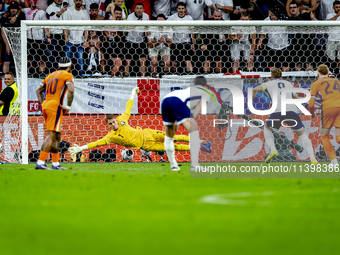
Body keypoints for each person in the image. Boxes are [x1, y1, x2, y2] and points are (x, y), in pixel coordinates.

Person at [68, 87, 192, 157]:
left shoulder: (122, 119)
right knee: (172, 147)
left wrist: (132, 93)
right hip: (146, 146)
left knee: (173, 137)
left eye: (114, 122)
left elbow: (128, 107)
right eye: (110, 124)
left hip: (148, 133)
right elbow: (95, 143)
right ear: (108, 126)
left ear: (116, 120)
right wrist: (81, 148)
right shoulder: (111, 136)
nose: (113, 124)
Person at [252, 68, 318, 165]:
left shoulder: (268, 84)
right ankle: (313, 158)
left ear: (271, 77)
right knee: (303, 135)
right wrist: (299, 109)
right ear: (281, 76)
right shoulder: (288, 83)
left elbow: (255, 89)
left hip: (277, 112)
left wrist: (251, 102)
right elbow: (295, 97)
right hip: (291, 111)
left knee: (267, 129)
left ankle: (273, 150)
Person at [161, 76, 212, 171]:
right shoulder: (206, 91)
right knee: (194, 130)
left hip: (166, 100)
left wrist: (179, 119)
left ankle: (173, 166)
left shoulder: (190, 89)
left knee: (169, 136)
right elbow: (199, 107)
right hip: (177, 101)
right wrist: (191, 120)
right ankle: (195, 165)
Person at [35, 57, 75, 170]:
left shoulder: (50, 75)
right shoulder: (68, 75)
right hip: (55, 107)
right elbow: (71, 90)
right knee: (51, 136)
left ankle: (55, 164)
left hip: (47, 106)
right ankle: (40, 162)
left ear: (58, 66)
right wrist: (68, 106)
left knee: (57, 136)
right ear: (70, 66)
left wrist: (43, 103)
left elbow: (38, 90)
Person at [308, 64, 340, 168]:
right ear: (328, 74)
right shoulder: (337, 81)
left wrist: (312, 114)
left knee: (324, 135)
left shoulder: (316, 83)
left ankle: (334, 162)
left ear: (318, 74)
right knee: (338, 138)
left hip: (328, 107)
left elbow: (311, 103)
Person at [287, 1, 317, 71]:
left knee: (309, 67)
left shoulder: (305, 15)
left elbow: (315, 25)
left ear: (298, 8)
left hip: (308, 44)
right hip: (296, 45)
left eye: (294, 7)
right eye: (290, 8)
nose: (292, 9)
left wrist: (313, 19)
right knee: (298, 67)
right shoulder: (289, 20)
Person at [22, 0, 50, 76]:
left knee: (41, 59)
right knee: (30, 59)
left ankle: (42, 74)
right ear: (30, 1)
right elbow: (17, 10)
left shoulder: (41, 12)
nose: (33, 2)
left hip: (39, 39)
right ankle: (32, 73)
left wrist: (48, 36)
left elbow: (46, 25)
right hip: (29, 38)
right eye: (32, 0)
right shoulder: (25, 11)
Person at [63, 0, 90, 77]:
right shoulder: (69, 11)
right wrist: (66, 37)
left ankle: (80, 74)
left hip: (80, 40)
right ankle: (65, 73)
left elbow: (86, 28)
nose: (78, 2)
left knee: (80, 58)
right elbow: (65, 25)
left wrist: (85, 40)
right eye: (77, 0)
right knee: (66, 58)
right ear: (74, 1)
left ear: (82, 1)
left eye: (80, 0)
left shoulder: (85, 13)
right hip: (70, 39)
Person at [168, 2, 194, 74]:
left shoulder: (189, 18)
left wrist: (193, 43)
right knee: (175, 63)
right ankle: (174, 78)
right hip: (175, 43)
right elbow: (165, 25)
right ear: (177, 9)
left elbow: (192, 32)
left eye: (182, 8)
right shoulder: (172, 17)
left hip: (186, 42)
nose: (181, 10)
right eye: (179, 8)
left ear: (185, 9)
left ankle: (190, 77)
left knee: (187, 61)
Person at [1, 1, 25, 73]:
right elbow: (3, 31)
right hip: (7, 43)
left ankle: (21, 80)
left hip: (18, 43)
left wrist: (16, 17)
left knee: (21, 62)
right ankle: (6, 79)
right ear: (9, 9)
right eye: (12, 8)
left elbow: (21, 10)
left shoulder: (22, 16)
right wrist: (7, 45)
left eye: (15, 8)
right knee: (6, 62)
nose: (13, 10)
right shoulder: (4, 17)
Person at [125, 3, 149, 77]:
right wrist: (136, 23)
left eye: (140, 8)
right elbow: (128, 28)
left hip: (141, 41)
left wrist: (147, 30)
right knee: (128, 61)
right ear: (134, 9)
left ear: (143, 9)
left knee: (143, 60)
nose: (139, 10)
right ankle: (126, 77)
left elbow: (147, 27)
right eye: (137, 8)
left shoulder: (146, 16)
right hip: (130, 40)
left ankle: (143, 77)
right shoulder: (130, 16)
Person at [46, 0, 68, 72]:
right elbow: (49, 21)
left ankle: (62, 71)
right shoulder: (50, 8)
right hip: (54, 35)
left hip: (63, 34)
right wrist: (59, 13)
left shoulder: (66, 6)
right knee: (54, 55)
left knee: (62, 54)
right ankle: (54, 72)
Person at [326, 1, 340, 71]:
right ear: (333, 8)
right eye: (337, 7)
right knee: (330, 57)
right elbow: (328, 22)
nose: (338, 9)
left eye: (339, 7)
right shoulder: (330, 15)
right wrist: (337, 15)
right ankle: (332, 70)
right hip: (331, 39)